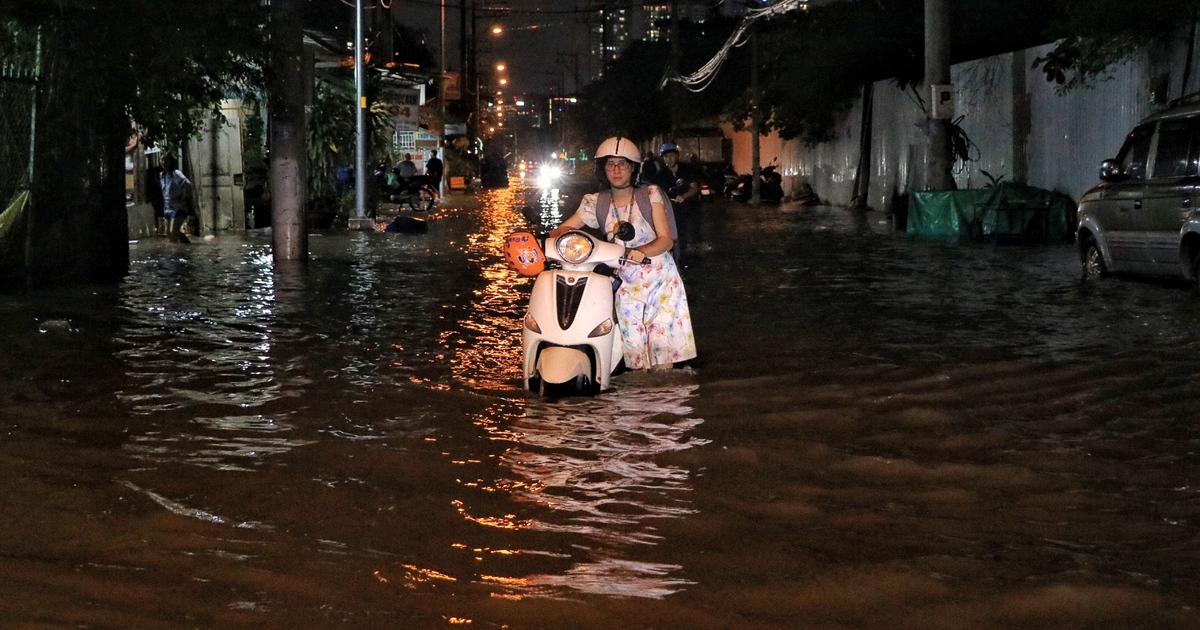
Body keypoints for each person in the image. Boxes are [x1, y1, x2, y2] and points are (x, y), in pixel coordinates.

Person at [549, 137, 697, 371]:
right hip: (626, 285)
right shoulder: (595, 202)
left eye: (623, 164)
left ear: (634, 168)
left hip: (661, 282)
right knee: (635, 356)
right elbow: (563, 229)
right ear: (603, 169)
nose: (616, 170)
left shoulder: (650, 195)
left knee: (662, 357)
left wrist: (640, 251)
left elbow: (666, 240)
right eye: (610, 164)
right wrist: (559, 241)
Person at [650, 141, 704, 258]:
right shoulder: (661, 175)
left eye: (671, 156)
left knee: (694, 231)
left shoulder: (687, 170)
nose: (669, 159)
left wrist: (684, 196)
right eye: (666, 157)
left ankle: (697, 252)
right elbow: (656, 191)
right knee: (677, 233)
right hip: (673, 209)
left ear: (677, 155)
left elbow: (694, 188)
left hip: (691, 207)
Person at [159, 154, 193, 243]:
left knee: (174, 231)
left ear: (170, 162)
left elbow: (188, 184)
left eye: (166, 160)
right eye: (162, 160)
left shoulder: (176, 173)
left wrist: (184, 196)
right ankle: (175, 252)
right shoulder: (162, 175)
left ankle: (188, 247)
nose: (163, 162)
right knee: (169, 233)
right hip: (167, 207)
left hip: (178, 207)